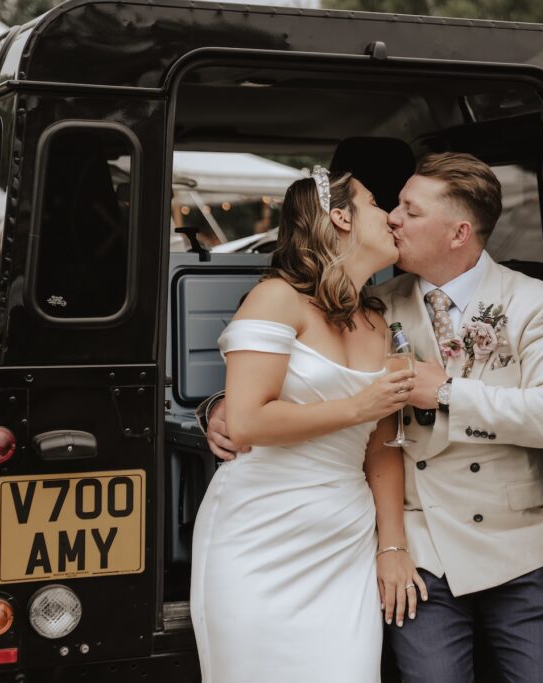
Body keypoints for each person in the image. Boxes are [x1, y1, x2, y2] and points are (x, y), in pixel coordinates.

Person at [205, 152, 543, 681]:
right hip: (416, 544)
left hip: (511, 544)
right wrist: (222, 406)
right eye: (387, 206)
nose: (392, 218)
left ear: (458, 233)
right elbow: (287, 381)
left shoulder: (535, 304)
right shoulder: (374, 305)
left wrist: (450, 392)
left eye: (409, 210)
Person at [189, 169, 423, 682]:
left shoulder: (378, 323)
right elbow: (248, 420)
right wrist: (360, 406)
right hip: (259, 535)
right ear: (340, 216)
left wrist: (392, 547)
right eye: (375, 202)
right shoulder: (275, 298)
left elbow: (382, 450)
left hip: (344, 541)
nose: (389, 216)